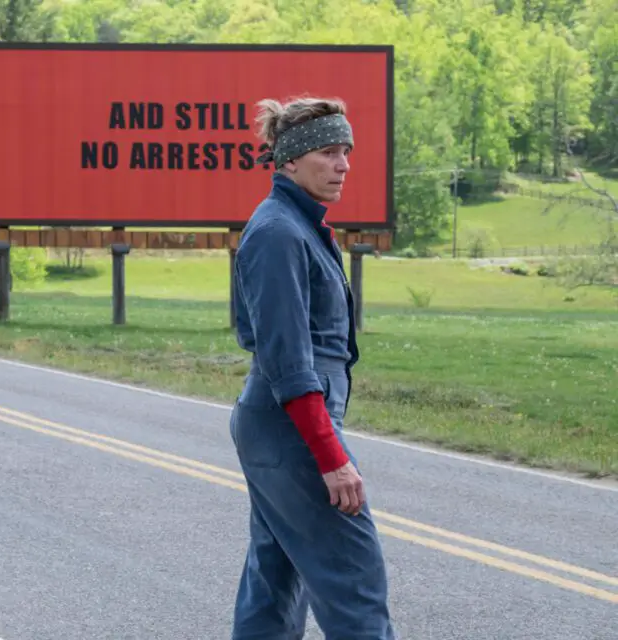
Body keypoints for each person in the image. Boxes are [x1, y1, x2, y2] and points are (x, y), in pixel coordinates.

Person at [228, 95, 396, 640]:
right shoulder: (279, 232)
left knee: (276, 577)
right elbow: (289, 361)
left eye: (346, 151)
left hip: (281, 425)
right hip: (290, 426)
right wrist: (331, 456)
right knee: (354, 580)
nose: (344, 164)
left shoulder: (295, 225)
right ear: (290, 160)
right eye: (329, 151)